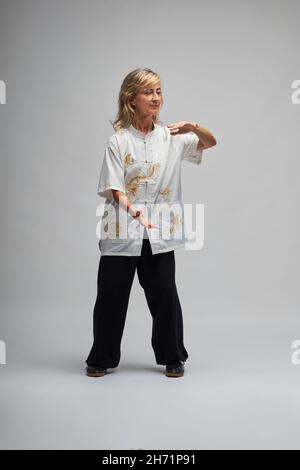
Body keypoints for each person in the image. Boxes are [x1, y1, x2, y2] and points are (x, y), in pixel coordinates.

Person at [85, 67, 217, 378]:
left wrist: (192, 126)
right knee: (110, 296)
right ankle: (101, 357)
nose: (156, 98)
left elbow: (210, 143)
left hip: (160, 233)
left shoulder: (172, 139)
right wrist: (135, 213)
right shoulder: (118, 141)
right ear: (131, 98)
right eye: (148, 92)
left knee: (165, 294)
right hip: (121, 230)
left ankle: (173, 356)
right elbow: (115, 188)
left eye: (159, 91)